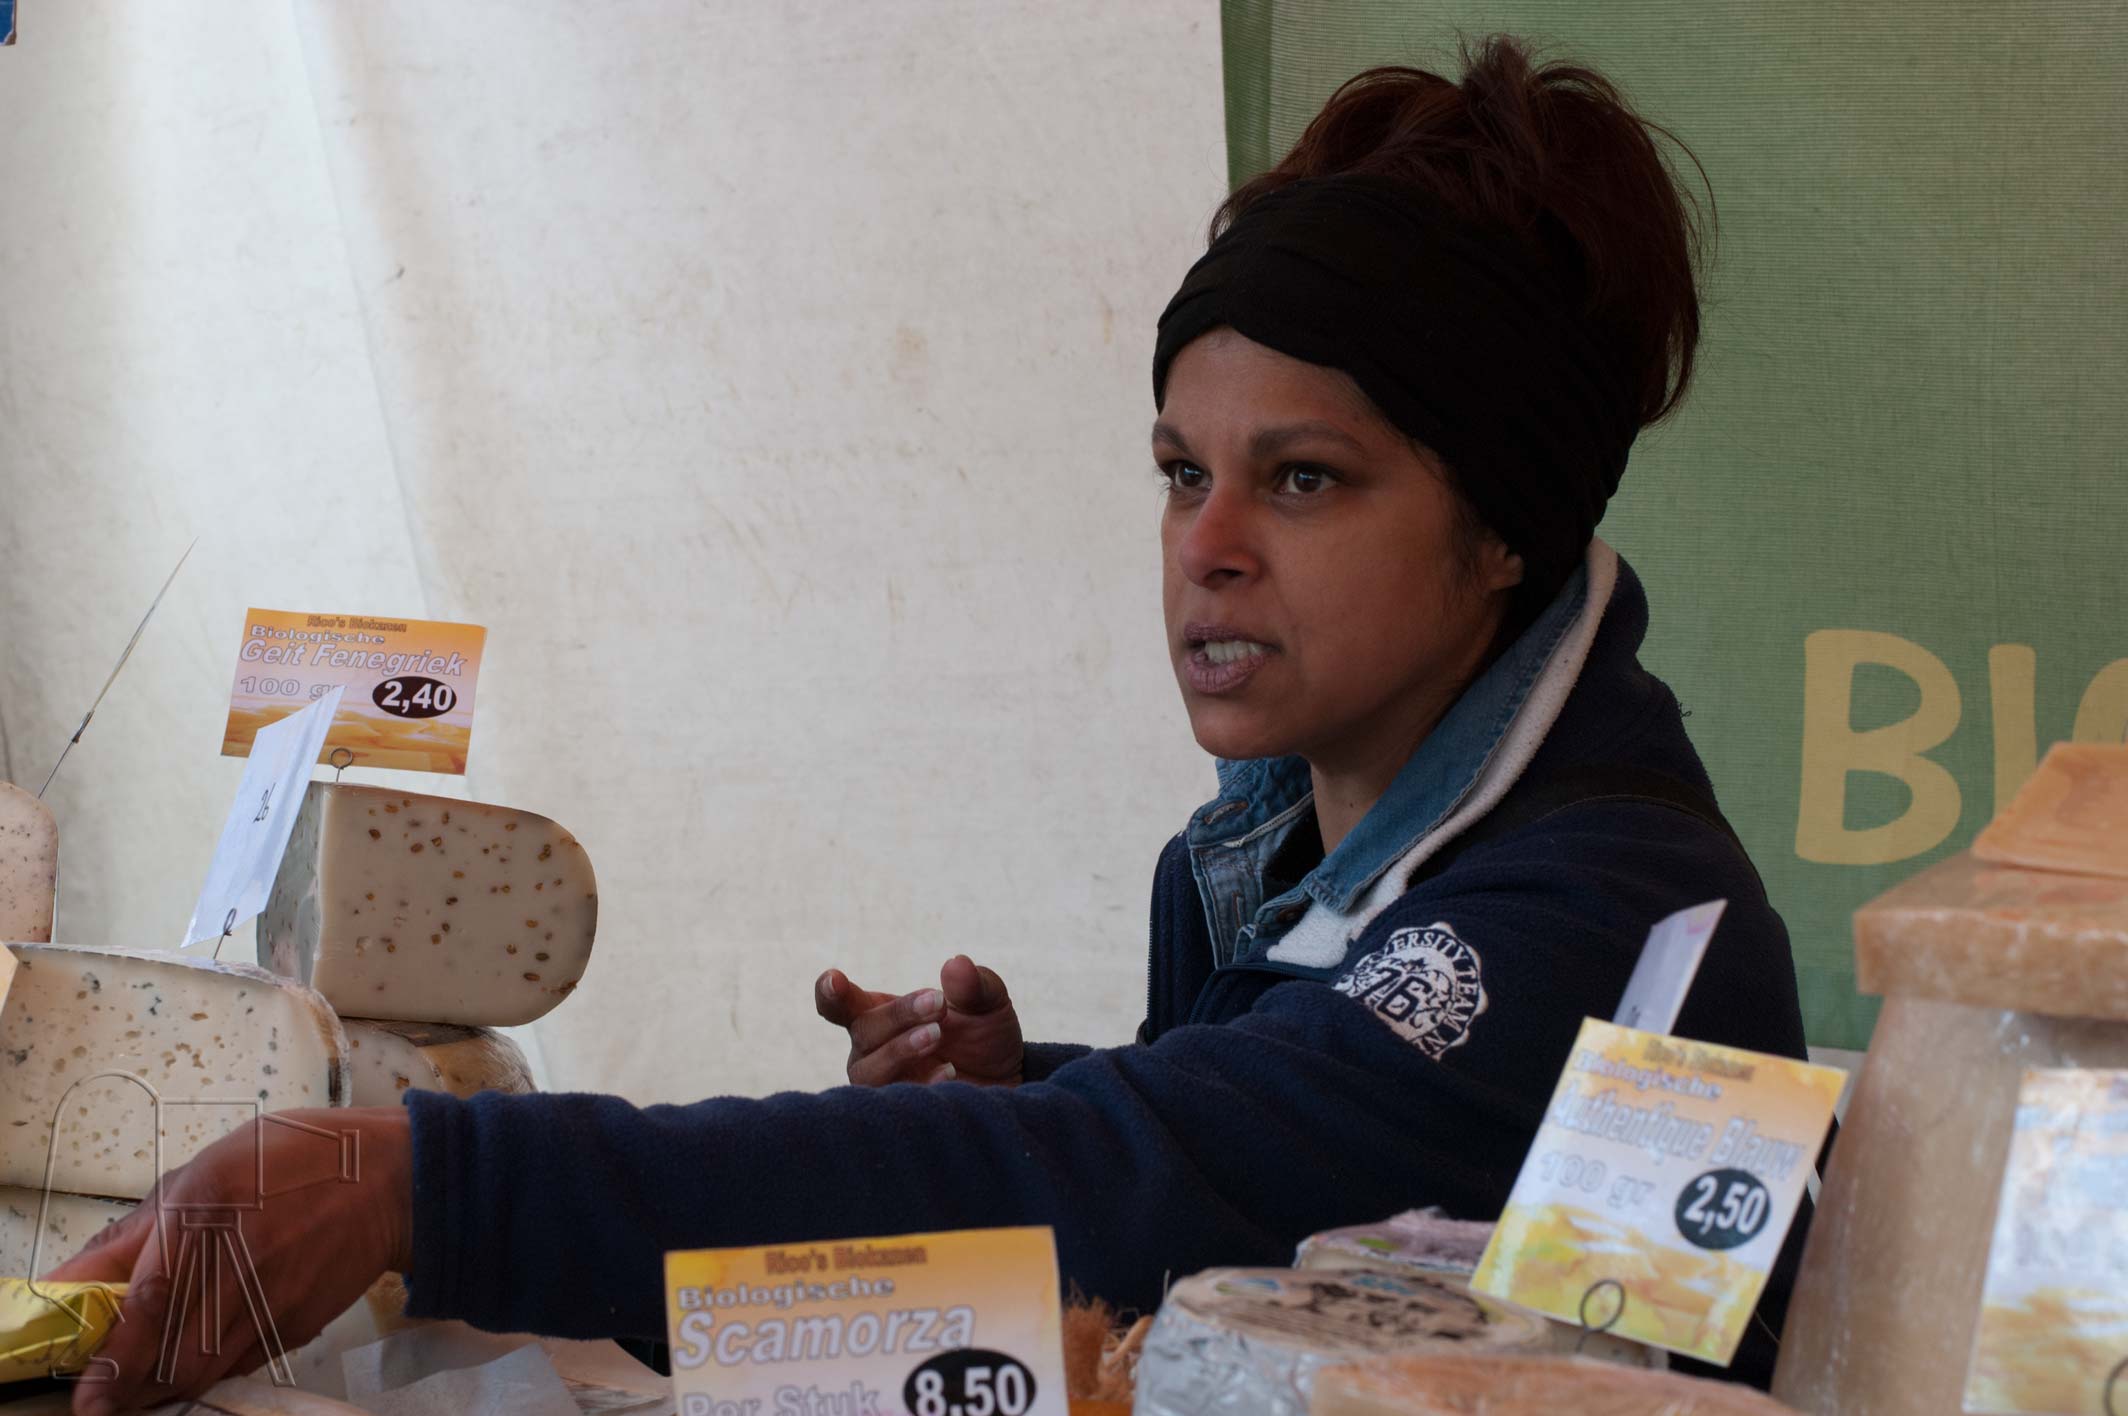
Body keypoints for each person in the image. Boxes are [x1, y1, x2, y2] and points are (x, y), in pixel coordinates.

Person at [52, 35, 1810, 1413]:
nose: (1207, 545)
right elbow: (1274, 1193)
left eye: (1305, 479)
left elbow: (1143, 1187)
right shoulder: (1276, 852)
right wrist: (1050, 1082)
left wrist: (441, 1186)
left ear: (1504, 529)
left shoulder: (1614, 918)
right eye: (1181, 472)